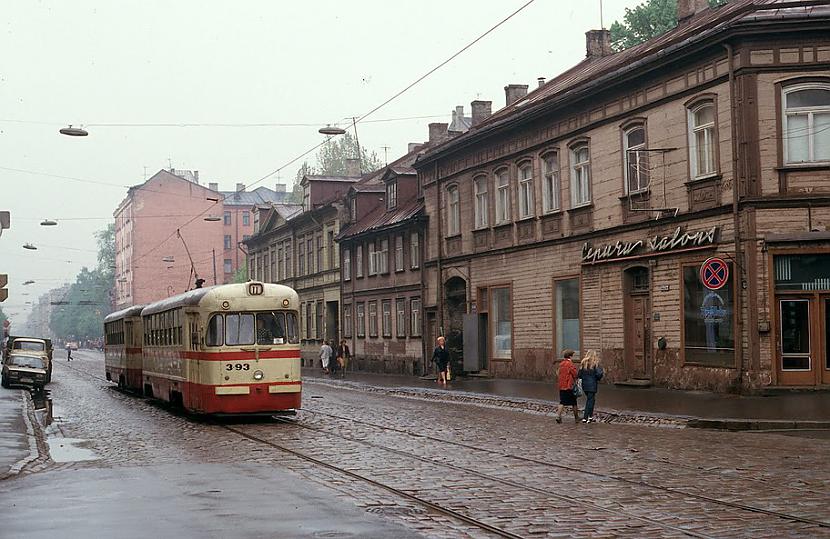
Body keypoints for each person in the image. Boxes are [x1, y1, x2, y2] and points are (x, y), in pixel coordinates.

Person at [577, 349, 604, 423]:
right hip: (592, 385)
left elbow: (579, 375)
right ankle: (586, 417)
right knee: (590, 401)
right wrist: (597, 378)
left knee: (591, 400)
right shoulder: (595, 363)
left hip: (585, 385)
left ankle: (590, 417)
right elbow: (599, 374)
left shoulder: (583, 363)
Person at [554, 349, 580, 423]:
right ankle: (576, 418)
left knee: (562, 402)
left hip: (561, 385)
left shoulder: (561, 364)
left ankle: (558, 416)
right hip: (569, 386)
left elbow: (558, 373)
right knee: (574, 402)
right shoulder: (570, 364)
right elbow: (575, 374)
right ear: (570, 356)